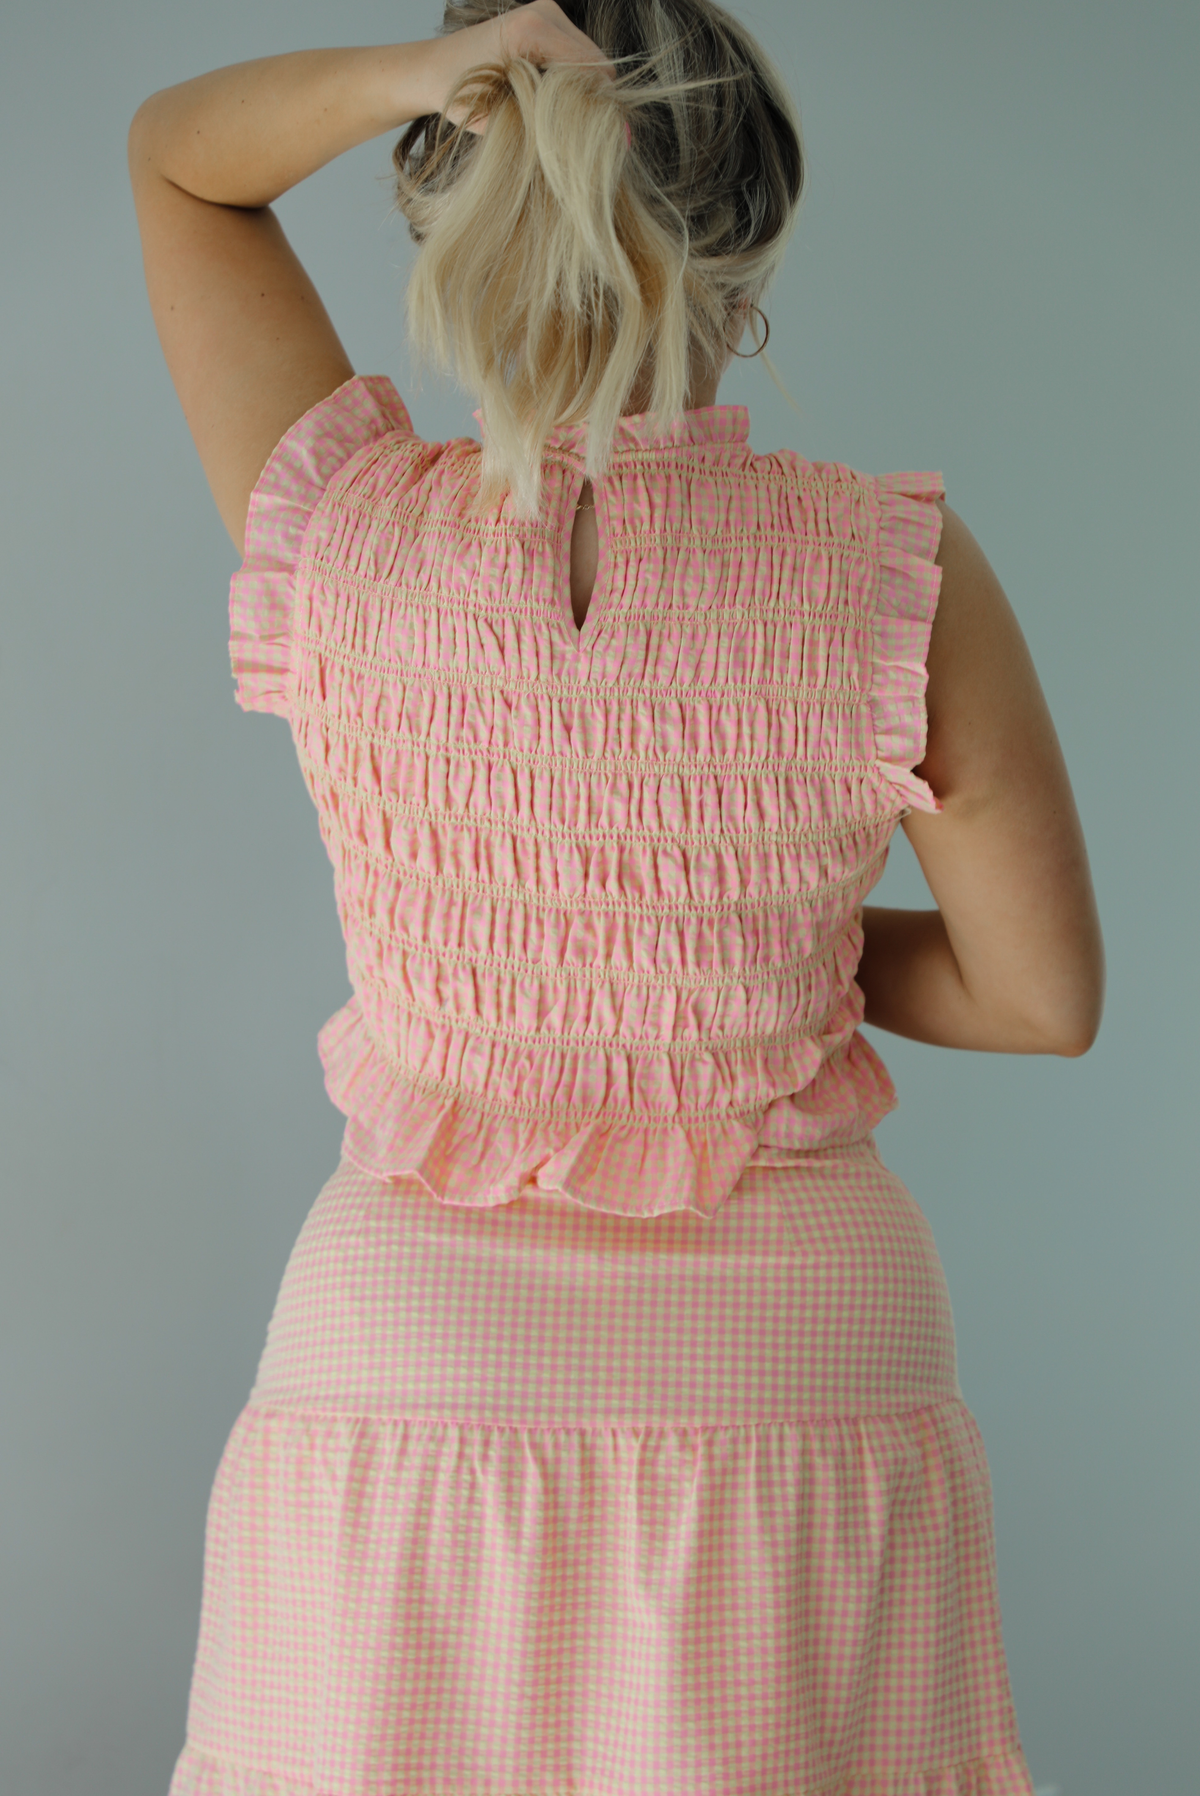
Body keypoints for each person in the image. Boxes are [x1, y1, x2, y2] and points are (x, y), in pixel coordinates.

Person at [128, 2, 1104, 1791]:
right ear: (747, 242)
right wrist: (750, 944)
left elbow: (181, 166)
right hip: (792, 1369)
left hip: (408, 1370)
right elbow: (1042, 997)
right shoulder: (884, 560)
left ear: (457, 200)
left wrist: (413, 76)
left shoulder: (342, 530)